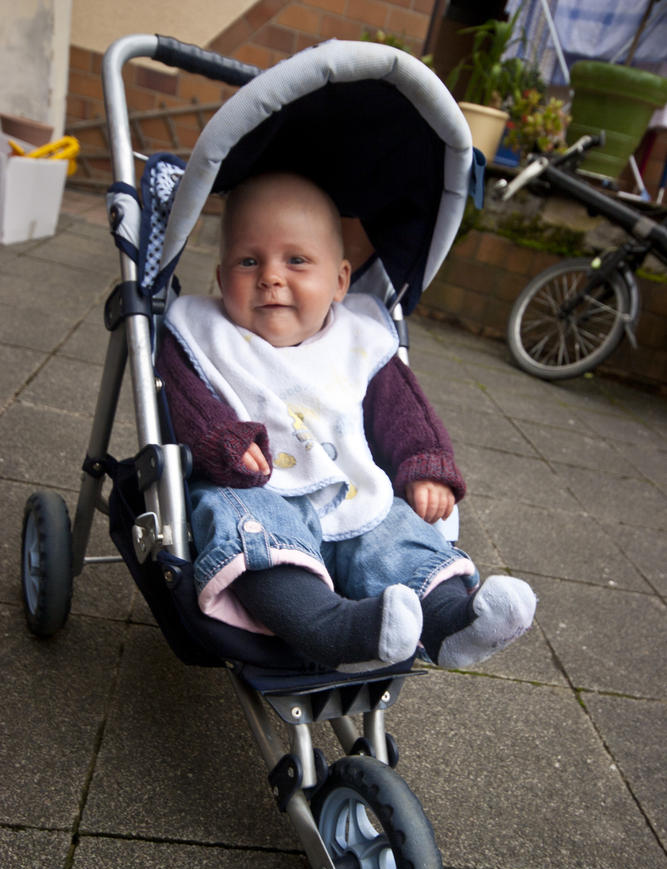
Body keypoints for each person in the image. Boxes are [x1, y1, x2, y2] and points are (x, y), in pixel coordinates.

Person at [158, 172, 536, 672]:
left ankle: (450, 621)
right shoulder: (203, 333)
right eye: (249, 261)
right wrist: (218, 440)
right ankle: (328, 628)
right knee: (249, 533)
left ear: (339, 281)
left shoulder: (360, 341)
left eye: (296, 260)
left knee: (398, 532)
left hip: (354, 496)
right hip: (257, 489)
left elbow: (405, 412)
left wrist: (425, 464)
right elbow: (182, 397)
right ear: (223, 278)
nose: (271, 276)